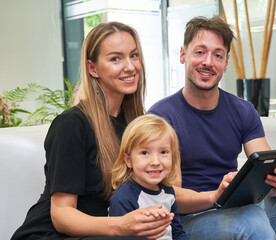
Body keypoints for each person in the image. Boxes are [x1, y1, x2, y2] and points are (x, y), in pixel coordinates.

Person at [149, 16, 276, 240]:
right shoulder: (161, 117)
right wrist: (213, 197)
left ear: (226, 62)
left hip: (236, 209)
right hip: (188, 220)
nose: (208, 62)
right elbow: (168, 197)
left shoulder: (242, 110)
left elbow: (263, 163)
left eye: (217, 55)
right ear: (183, 54)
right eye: (199, 52)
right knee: (251, 221)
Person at [12, 22, 172, 240]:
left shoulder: (135, 124)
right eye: (116, 58)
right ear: (92, 69)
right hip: (50, 234)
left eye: (134, 55)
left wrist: (212, 196)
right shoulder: (71, 124)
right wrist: (123, 225)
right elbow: (61, 215)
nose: (130, 66)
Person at [109, 114, 188, 240]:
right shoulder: (123, 198)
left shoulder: (168, 191)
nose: (155, 162)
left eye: (163, 152)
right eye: (145, 153)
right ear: (128, 160)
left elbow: (177, 233)